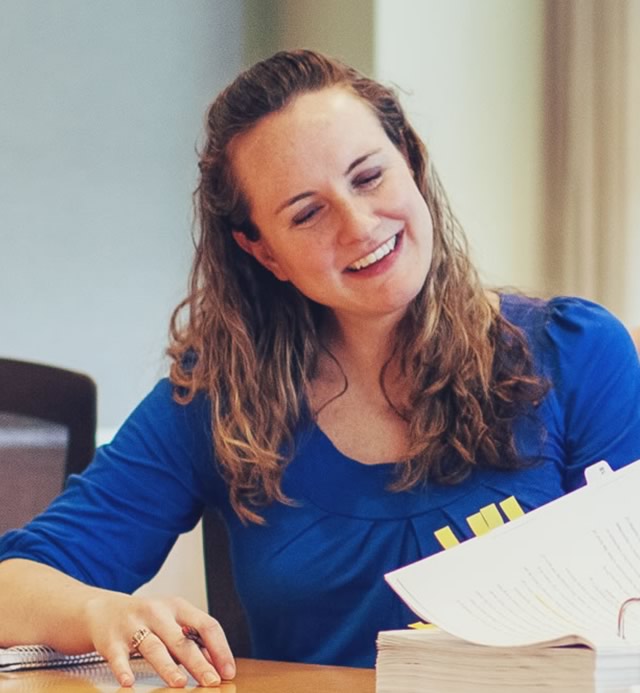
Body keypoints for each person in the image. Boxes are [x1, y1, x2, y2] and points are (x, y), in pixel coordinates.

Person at [1, 49, 639, 689]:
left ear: (410, 162)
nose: (359, 226)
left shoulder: (575, 352)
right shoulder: (218, 399)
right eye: (307, 213)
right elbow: (14, 585)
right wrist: (101, 611)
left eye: (369, 177)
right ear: (263, 252)